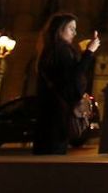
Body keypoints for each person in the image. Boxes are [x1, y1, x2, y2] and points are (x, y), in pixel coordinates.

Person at [33, 12, 99, 155]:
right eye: (71, 28)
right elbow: (74, 76)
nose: (74, 33)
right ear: (59, 29)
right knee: (53, 154)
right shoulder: (62, 51)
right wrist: (89, 52)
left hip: (49, 112)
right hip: (58, 113)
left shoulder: (49, 50)